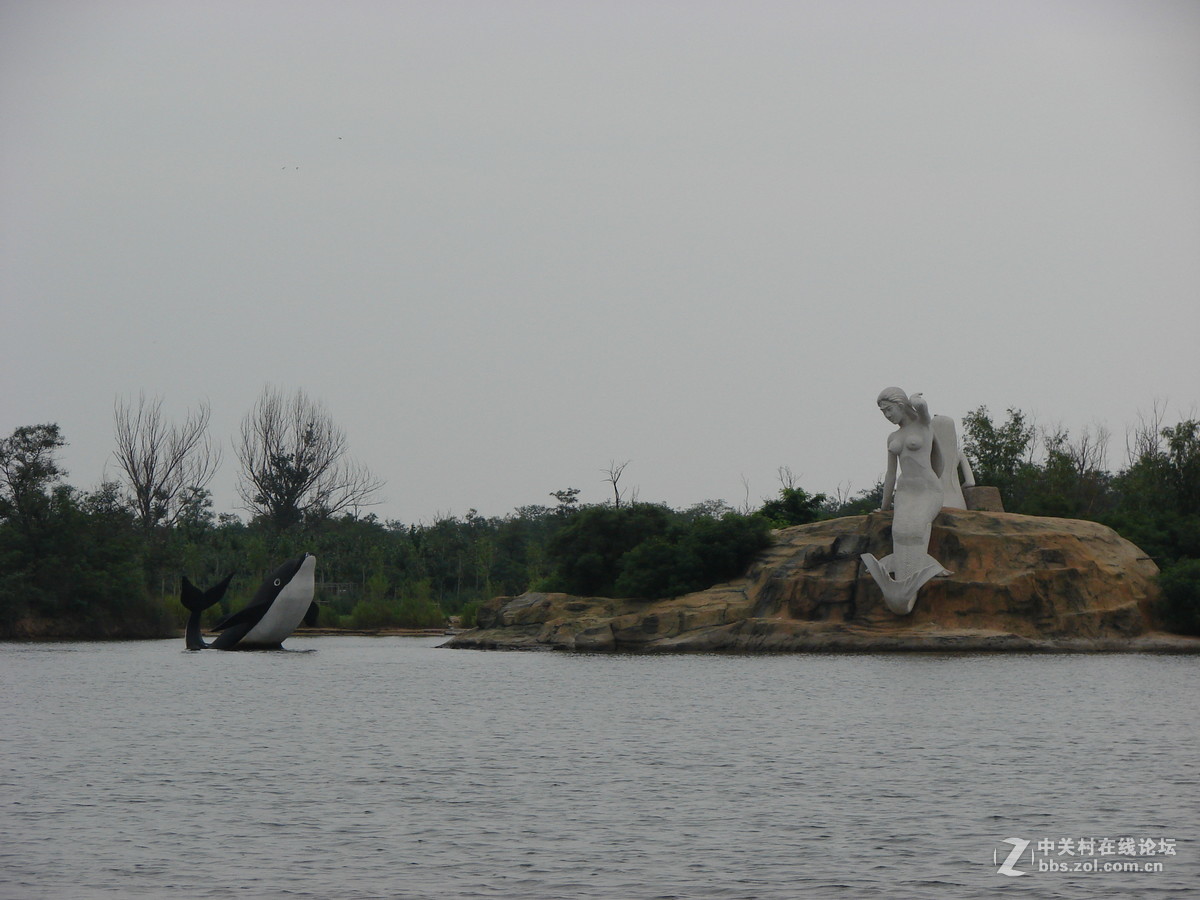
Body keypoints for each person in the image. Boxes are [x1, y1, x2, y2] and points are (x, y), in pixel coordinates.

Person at [861, 387, 951, 614]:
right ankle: (900, 590)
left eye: (889, 410)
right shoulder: (893, 437)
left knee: (916, 528)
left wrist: (916, 400)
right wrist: (883, 506)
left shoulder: (923, 424)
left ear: (901, 405)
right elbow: (890, 474)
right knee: (900, 531)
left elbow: (922, 409)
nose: (887, 416)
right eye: (883, 413)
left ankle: (917, 578)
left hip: (928, 489)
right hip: (905, 492)